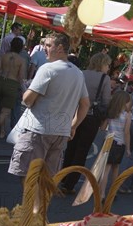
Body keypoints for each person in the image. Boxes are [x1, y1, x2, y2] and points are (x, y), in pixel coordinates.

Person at [7, 33, 89, 180]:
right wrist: (73, 126)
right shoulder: (78, 74)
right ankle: (39, 204)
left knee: (28, 177)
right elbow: (85, 104)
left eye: (49, 45)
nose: (44, 48)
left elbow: (28, 100)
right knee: (46, 180)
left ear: (60, 48)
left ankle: (29, 204)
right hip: (61, 132)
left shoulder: (48, 69)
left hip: (38, 130)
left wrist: (26, 90)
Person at [59, 52, 112, 193]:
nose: (108, 68)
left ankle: (63, 177)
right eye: (107, 65)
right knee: (82, 151)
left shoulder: (81, 73)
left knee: (70, 147)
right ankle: (69, 184)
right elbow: (106, 101)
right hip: (91, 118)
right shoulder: (104, 79)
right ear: (102, 64)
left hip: (75, 113)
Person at [0, 37, 25, 142]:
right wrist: (24, 90)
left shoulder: (3, 56)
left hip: (1, 82)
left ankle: (2, 132)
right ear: (21, 48)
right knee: (6, 112)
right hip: (12, 84)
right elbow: (21, 78)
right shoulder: (21, 60)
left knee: (1, 108)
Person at [99, 90, 132, 200]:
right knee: (115, 168)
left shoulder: (111, 112)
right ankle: (113, 192)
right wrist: (128, 148)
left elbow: (103, 128)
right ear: (124, 102)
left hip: (108, 141)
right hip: (119, 143)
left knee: (106, 168)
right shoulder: (127, 115)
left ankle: (102, 193)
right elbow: (126, 132)